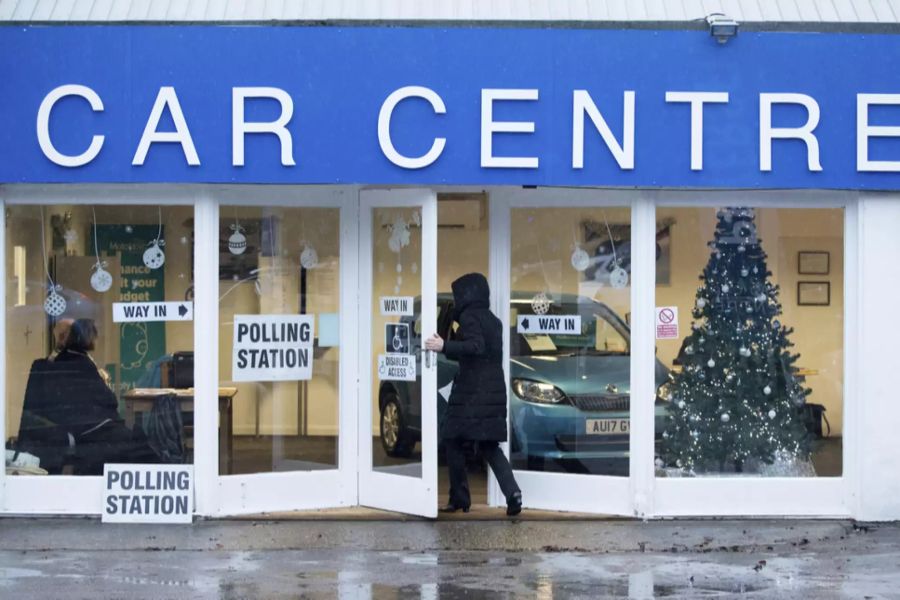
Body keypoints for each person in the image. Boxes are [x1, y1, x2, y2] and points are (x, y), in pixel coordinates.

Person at [424, 273, 522, 516]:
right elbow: (476, 350)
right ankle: (513, 493)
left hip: (472, 391)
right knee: (490, 446)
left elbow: (475, 347)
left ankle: (459, 498)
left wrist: (443, 345)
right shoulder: (494, 320)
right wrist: (453, 341)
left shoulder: (469, 317)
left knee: (452, 438)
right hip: (493, 390)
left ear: (466, 296)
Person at [21, 318, 158, 474]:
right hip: (89, 430)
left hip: (69, 428)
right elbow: (109, 401)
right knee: (138, 441)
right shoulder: (81, 362)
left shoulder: (54, 363)